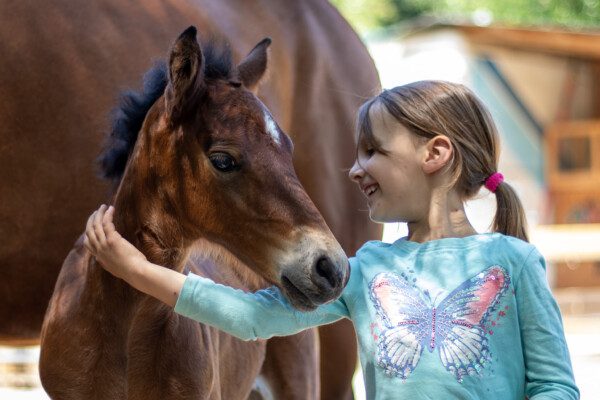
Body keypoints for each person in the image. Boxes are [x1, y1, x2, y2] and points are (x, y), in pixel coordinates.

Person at [85, 80, 579, 399]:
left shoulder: (514, 262)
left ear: (436, 154)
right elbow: (253, 317)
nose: (354, 168)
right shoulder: (365, 269)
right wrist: (138, 271)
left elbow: (555, 385)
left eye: (372, 152)